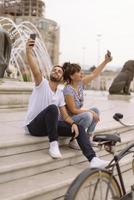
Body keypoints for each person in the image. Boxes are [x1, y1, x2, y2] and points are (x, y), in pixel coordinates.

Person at [24, 38, 109, 168]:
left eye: (59, 71)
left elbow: (65, 116)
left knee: (79, 128)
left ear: (62, 78)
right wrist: (29, 51)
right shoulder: (42, 84)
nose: (56, 71)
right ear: (50, 73)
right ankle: (53, 144)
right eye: (54, 69)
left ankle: (93, 159)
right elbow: (35, 69)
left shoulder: (59, 94)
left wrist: (74, 124)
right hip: (34, 126)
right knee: (52, 108)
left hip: (50, 126)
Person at [62, 50, 112, 149]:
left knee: (96, 110)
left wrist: (105, 61)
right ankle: (73, 140)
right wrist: (90, 112)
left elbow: (94, 74)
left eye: (81, 71)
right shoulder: (67, 90)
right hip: (68, 121)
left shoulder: (80, 84)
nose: (82, 73)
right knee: (88, 115)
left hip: (76, 118)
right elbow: (73, 110)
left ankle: (88, 138)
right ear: (71, 76)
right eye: (78, 72)